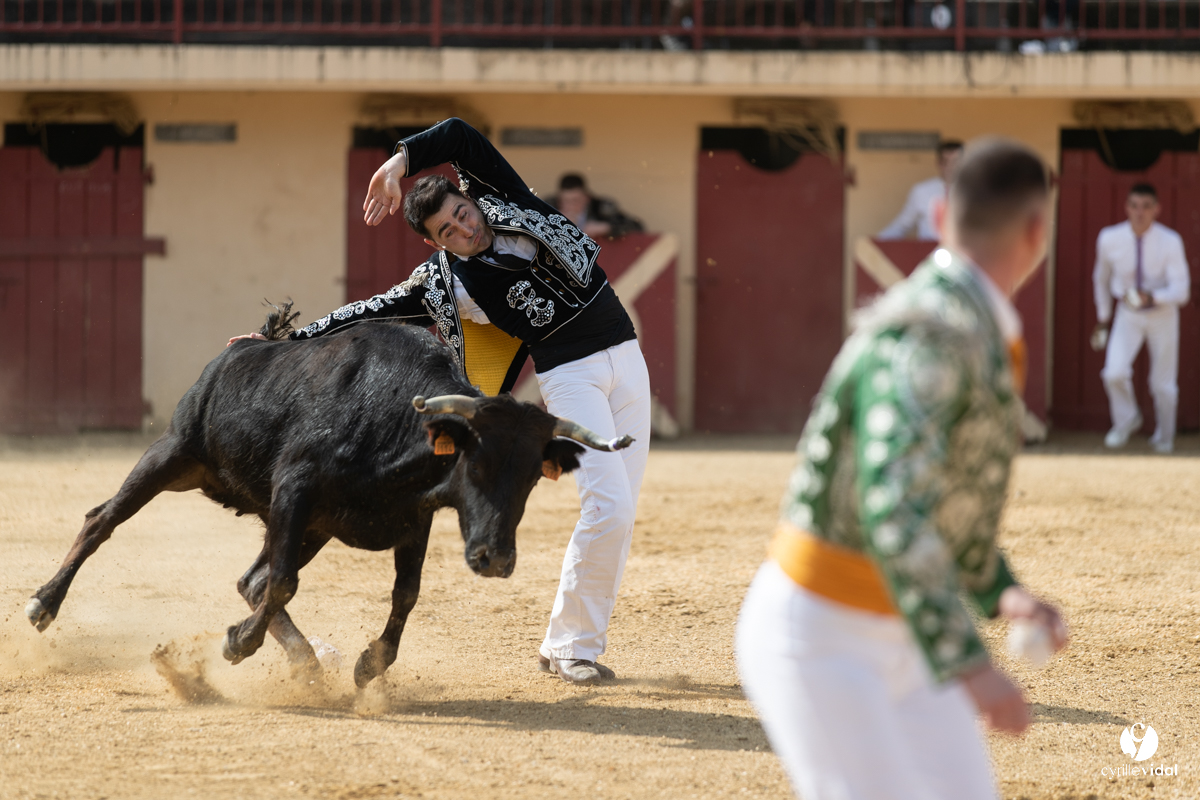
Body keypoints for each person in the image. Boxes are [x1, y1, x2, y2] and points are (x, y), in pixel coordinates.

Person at [230, 118, 651, 685]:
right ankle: (572, 647)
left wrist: (398, 163)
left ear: (470, 200)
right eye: (448, 231)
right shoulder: (447, 282)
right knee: (610, 508)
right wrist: (287, 341)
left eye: (462, 214)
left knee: (620, 512)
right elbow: (369, 311)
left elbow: (459, 135)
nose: (464, 229)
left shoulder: (506, 200)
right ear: (435, 243)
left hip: (628, 355)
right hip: (571, 376)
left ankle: (565, 644)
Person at [736, 138, 1069, 800]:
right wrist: (970, 663)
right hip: (824, 635)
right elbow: (893, 504)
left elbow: (940, 494)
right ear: (1037, 232)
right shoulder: (940, 328)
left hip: (901, 629)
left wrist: (997, 589)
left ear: (941, 215)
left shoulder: (967, 320)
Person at [1091, 183, 1190, 454]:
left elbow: (1182, 291)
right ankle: (1126, 420)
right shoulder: (1109, 238)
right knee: (1114, 373)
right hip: (1128, 314)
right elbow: (1101, 279)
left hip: (1163, 314)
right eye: (1134, 206)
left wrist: (1153, 297)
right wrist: (1103, 317)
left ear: (1157, 209)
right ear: (1126, 208)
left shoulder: (1170, 241)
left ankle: (1165, 437)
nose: (1140, 212)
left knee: (1163, 384)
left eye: (1146, 206)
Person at [877, 140, 964, 241]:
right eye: (945, 162)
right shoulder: (921, 191)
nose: (950, 167)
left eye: (955, 162)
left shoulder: (975, 191)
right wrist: (874, 243)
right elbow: (902, 225)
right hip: (929, 249)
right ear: (938, 163)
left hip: (964, 250)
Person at [552, 173, 644, 241]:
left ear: (587, 198)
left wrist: (606, 227)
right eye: (565, 201)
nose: (570, 206)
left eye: (575, 200)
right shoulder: (551, 205)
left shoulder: (601, 207)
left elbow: (636, 226)